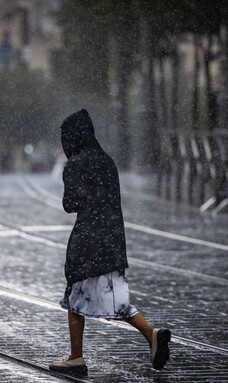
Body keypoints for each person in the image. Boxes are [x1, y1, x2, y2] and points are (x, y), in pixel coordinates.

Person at [49, 109, 171, 376]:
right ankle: (151, 334)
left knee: (74, 296)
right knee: (117, 300)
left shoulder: (76, 164)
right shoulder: (107, 161)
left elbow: (70, 204)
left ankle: (76, 357)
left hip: (88, 239)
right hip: (113, 240)